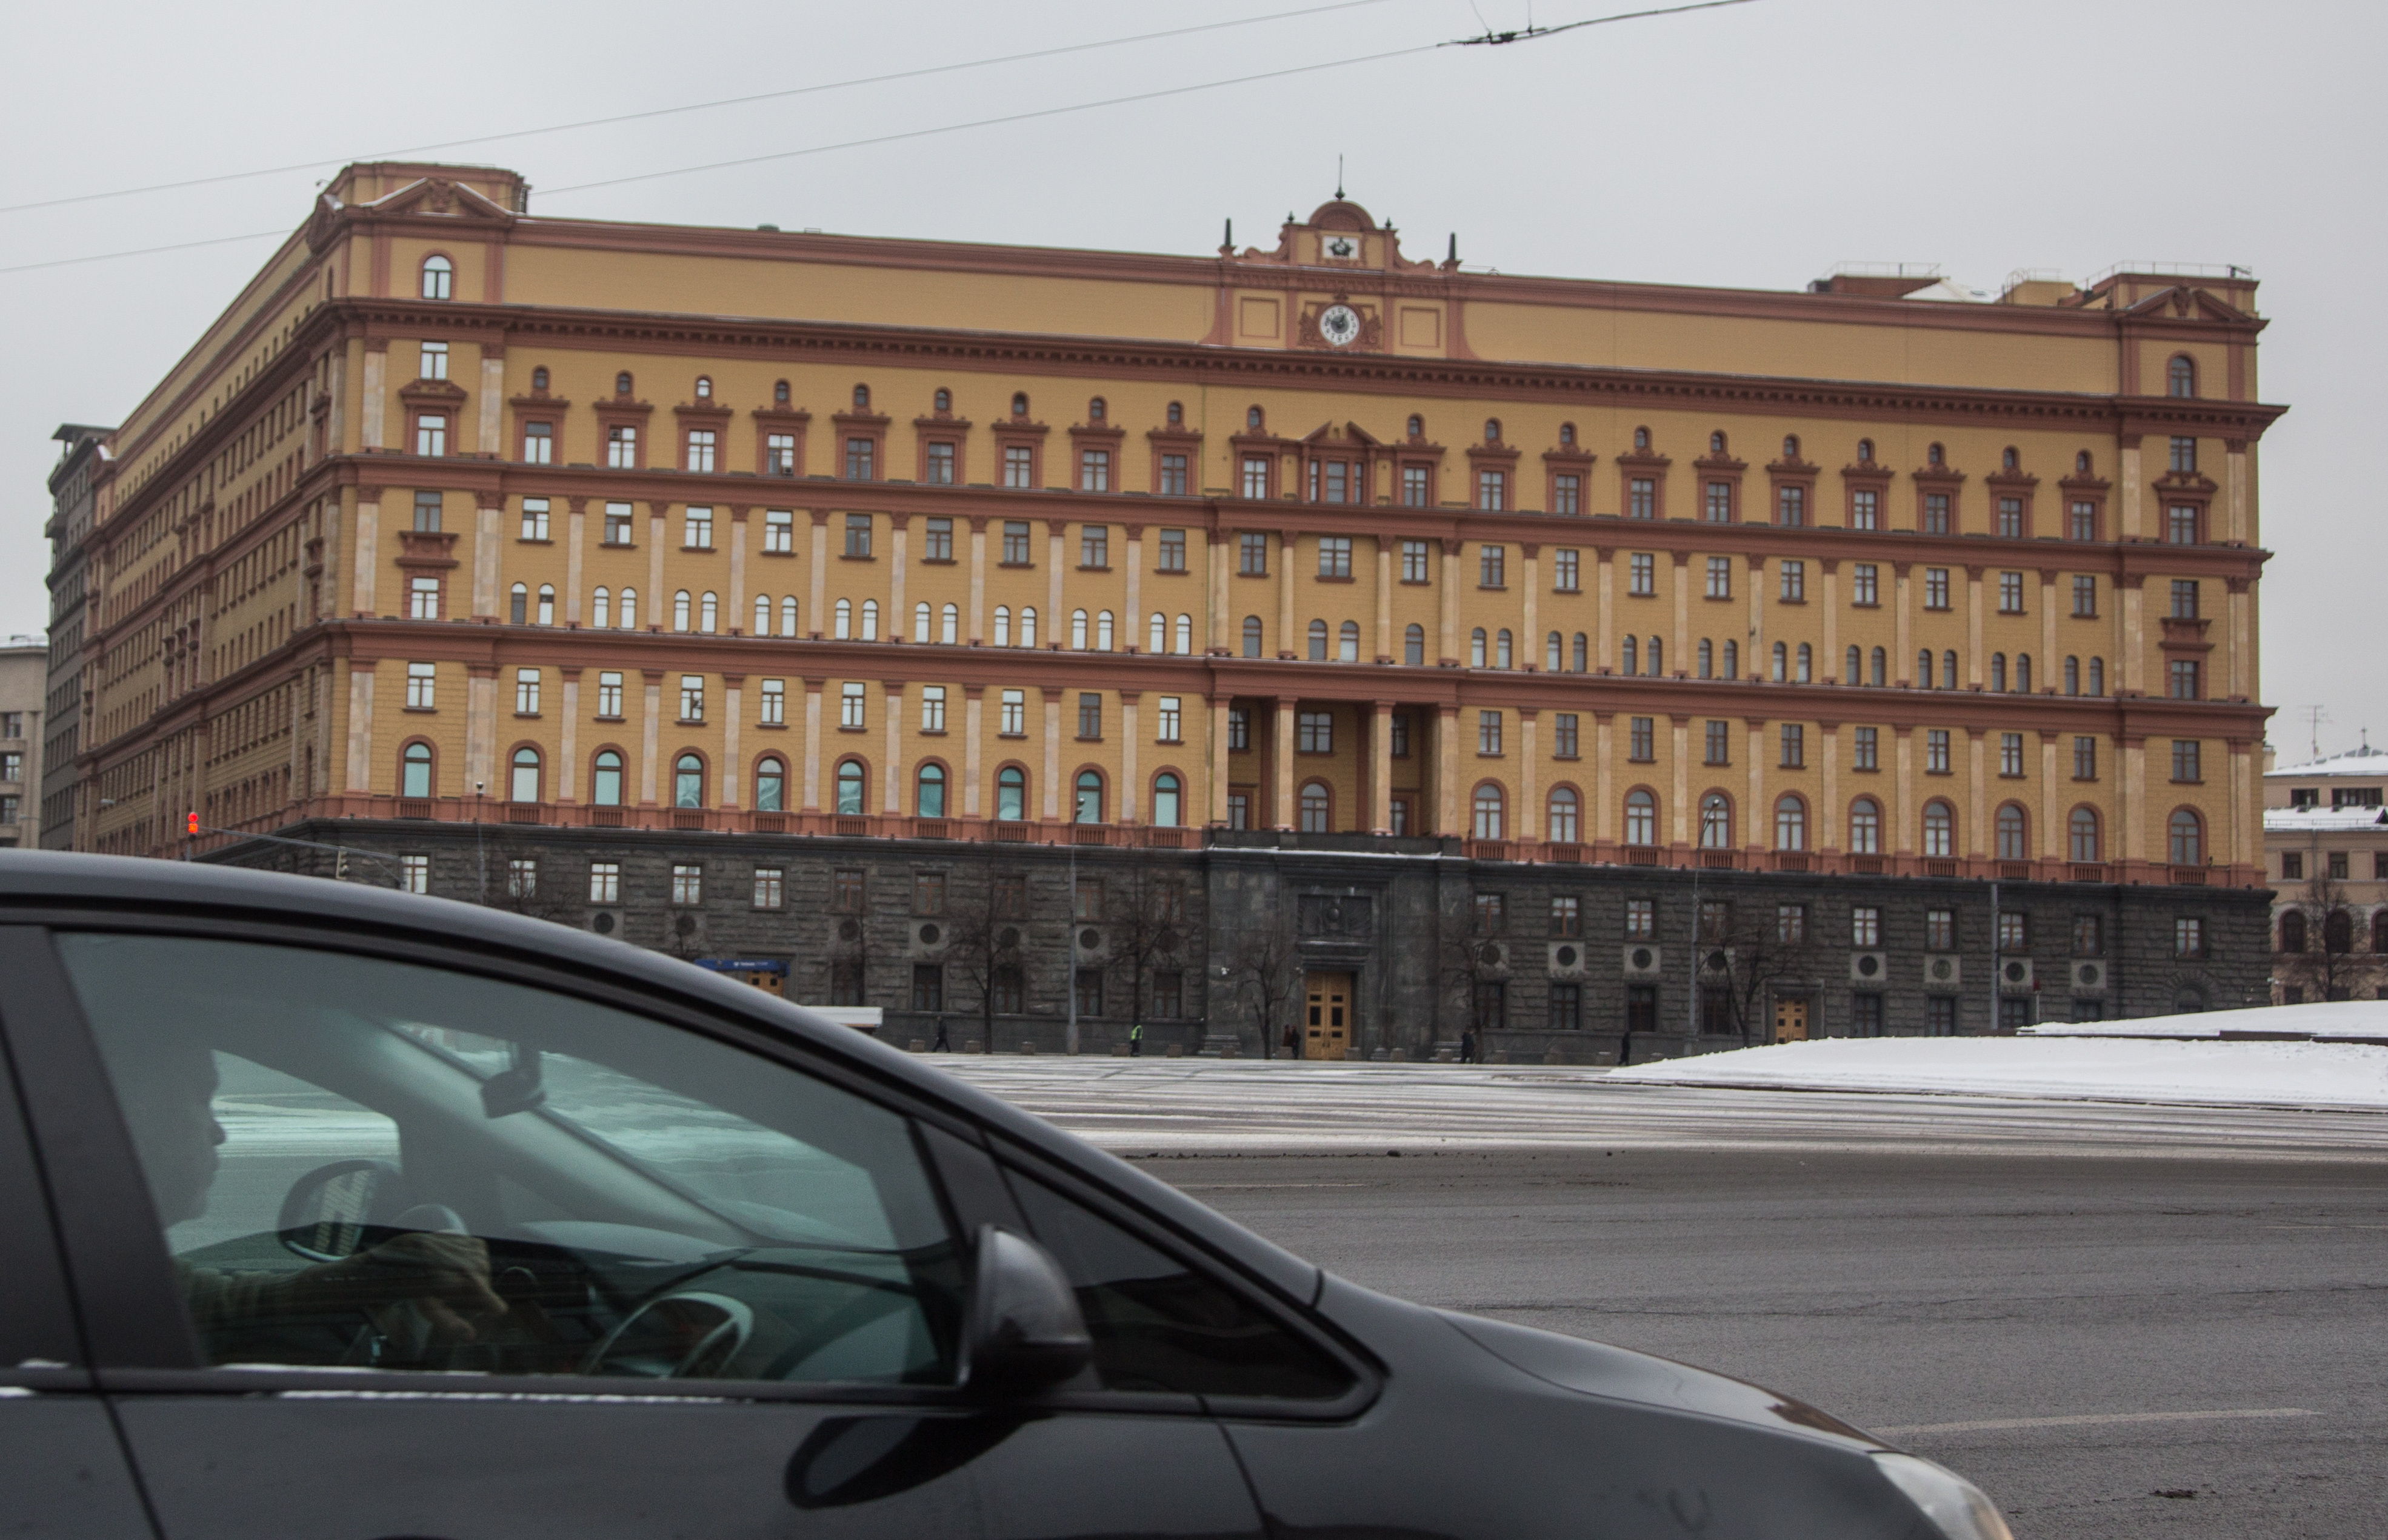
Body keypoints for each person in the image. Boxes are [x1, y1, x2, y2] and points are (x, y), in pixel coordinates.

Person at [115, 1032, 506, 1359]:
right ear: (128, 1112)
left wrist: (372, 1276)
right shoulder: (85, 1271)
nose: (220, 1133)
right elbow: (224, 1308)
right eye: (202, 1099)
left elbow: (221, 1307)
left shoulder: (106, 1263)